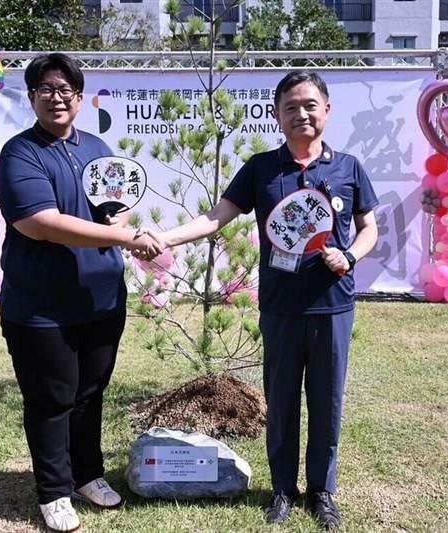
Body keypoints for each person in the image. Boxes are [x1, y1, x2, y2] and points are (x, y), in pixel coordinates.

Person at [147, 71, 379, 530]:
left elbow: (370, 227)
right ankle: (281, 490)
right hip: (279, 308)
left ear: (327, 111)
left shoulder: (348, 167)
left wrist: (349, 255)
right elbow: (217, 217)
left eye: (310, 105)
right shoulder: (260, 169)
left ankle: (322, 491)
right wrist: (164, 236)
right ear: (276, 114)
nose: (301, 114)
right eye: (290, 107)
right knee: (282, 401)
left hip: (332, 305)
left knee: (327, 403)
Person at [0, 53, 161, 532]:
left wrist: (122, 222)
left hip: (102, 300)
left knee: (91, 393)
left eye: (65, 89)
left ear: (80, 98)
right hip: (41, 308)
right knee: (51, 399)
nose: (56, 97)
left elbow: (118, 207)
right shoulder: (20, 153)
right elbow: (41, 224)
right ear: (31, 98)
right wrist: (127, 238)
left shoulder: (96, 146)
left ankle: (87, 474)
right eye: (46, 89)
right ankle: (53, 491)